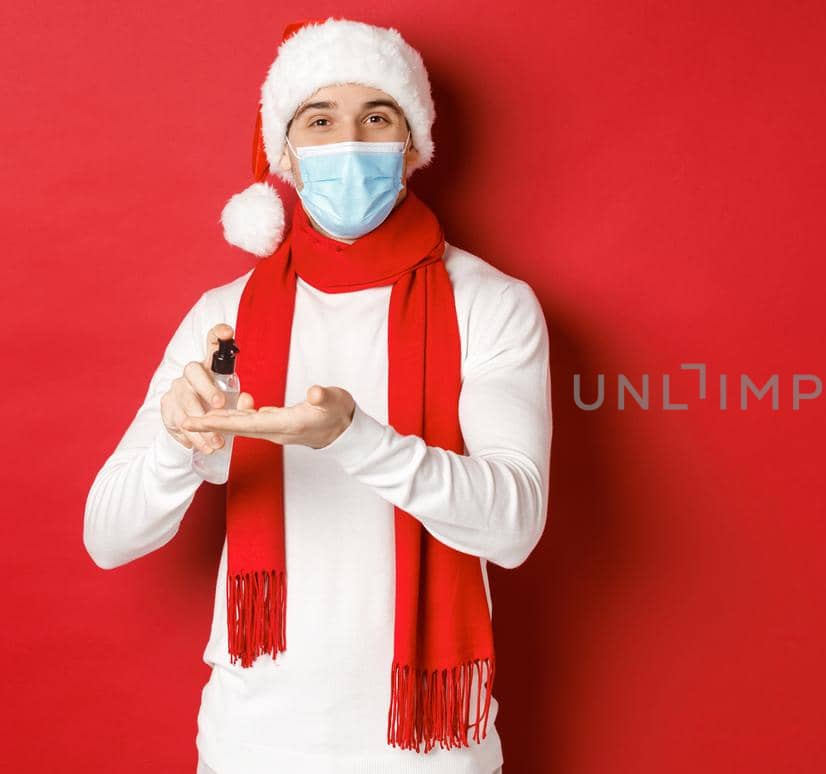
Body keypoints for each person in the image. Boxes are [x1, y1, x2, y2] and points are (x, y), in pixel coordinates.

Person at [82, 17, 548, 774]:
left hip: (430, 749)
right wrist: (178, 441)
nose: (349, 143)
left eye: (377, 117)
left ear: (413, 144)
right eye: (321, 120)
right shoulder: (224, 316)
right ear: (286, 151)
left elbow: (515, 524)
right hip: (253, 743)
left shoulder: (489, 304)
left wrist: (353, 438)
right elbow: (108, 537)